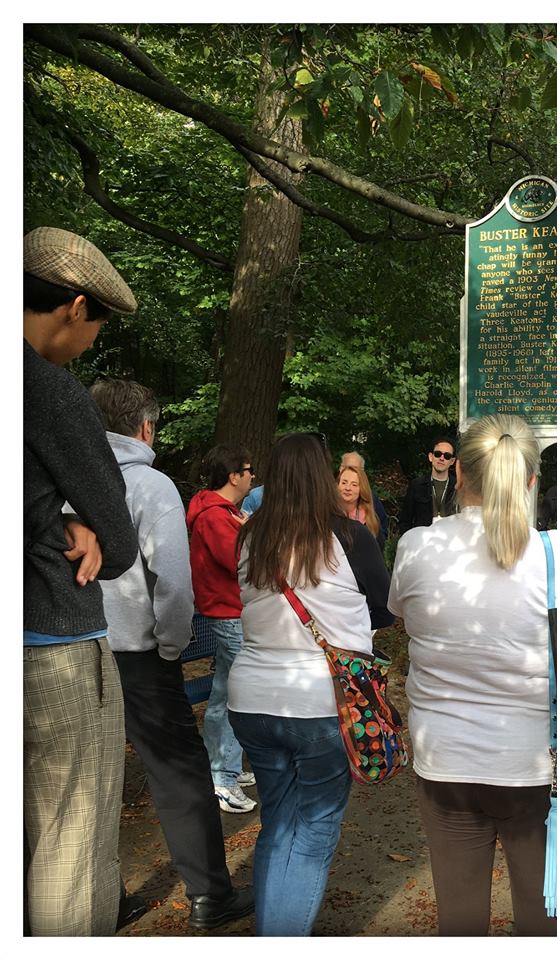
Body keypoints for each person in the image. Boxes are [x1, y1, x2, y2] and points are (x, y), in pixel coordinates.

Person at [389, 414, 557, 935]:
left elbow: (401, 613)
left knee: (460, 921)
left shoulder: (416, 546)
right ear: (531, 480)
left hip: (445, 762)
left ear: (459, 472)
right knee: (543, 921)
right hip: (538, 769)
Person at [89, 379, 255, 930]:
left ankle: (97, 897)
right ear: (145, 427)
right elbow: (174, 583)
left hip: (76, 647)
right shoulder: (151, 485)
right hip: (140, 652)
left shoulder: (68, 477)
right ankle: (209, 894)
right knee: (179, 774)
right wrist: (170, 644)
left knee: (85, 778)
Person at [228, 433, 393, 936]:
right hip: (323, 702)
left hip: (252, 699)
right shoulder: (348, 537)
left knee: (279, 821)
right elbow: (386, 608)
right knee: (313, 833)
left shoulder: (249, 537)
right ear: (322, 477)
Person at [24, 227, 139, 935]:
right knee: (70, 843)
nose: (94, 340)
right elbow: (118, 543)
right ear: (73, 307)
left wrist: (51, 517)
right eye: (97, 324)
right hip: (53, 640)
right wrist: (75, 522)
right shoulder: (50, 391)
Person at [187, 444, 257, 813]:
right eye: (248, 470)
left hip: (233, 612)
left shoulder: (227, 513)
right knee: (237, 695)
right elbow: (241, 563)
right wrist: (254, 536)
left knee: (223, 693)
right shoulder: (215, 517)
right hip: (228, 615)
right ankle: (224, 778)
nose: (252, 476)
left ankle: (221, 766)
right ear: (233, 476)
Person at [397, 436, 458, 533]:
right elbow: (405, 520)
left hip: (450, 539)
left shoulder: (458, 487)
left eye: (447, 456)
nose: (441, 458)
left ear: (452, 461)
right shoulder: (417, 485)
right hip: (422, 539)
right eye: (438, 454)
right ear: (430, 457)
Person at [341, 450, 389, 540]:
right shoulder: (329, 498)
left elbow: (383, 532)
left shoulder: (371, 499)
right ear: (341, 468)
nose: (351, 472)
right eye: (348, 467)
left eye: (355, 469)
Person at [337, 462, 385, 550]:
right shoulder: (328, 514)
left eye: (354, 485)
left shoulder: (370, 520)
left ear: (361, 489)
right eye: (344, 483)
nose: (348, 488)